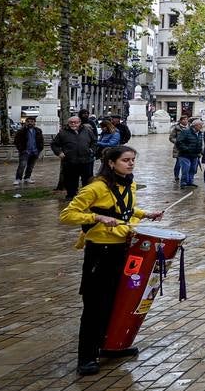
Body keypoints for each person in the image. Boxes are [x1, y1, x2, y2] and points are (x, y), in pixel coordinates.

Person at [60, 145, 165, 375]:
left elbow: (125, 209)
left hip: (123, 250)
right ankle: (86, 356)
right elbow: (67, 214)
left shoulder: (129, 184)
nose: (130, 164)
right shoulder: (96, 187)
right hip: (100, 252)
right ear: (111, 163)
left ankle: (109, 346)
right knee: (95, 306)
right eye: (125, 160)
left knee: (116, 301)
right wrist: (96, 217)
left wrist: (145, 214)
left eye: (133, 160)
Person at [52, 115, 99, 199]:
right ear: (68, 123)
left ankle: (87, 195)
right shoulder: (63, 133)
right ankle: (71, 195)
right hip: (70, 161)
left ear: (80, 123)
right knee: (71, 179)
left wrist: (92, 150)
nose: (73, 124)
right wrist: (59, 152)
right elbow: (54, 144)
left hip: (86, 160)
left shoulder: (87, 130)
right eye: (71, 122)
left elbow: (94, 141)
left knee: (87, 179)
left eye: (75, 122)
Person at [13, 115, 44, 186]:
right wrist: (22, 149)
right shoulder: (21, 131)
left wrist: (39, 149)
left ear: (34, 123)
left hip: (35, 151)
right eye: (28, 122)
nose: (30, 123)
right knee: (22, 166)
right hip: (25, 152)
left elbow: (41, 140)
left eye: (32, 122)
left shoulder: (38, 130)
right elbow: (16, 141)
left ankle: (27, 178)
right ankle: (18, 179)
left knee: (30, 166)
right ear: (26, 122)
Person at [173, 119, 203, 188]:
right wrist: (187, 149)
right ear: (195, 125)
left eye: (201, 125)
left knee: (193, 169)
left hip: (195, 154)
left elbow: (200, 143)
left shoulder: (200, 133)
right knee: (186, 169)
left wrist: (200, 151)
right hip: (185, 154)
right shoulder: (186, 132)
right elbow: (179, 142)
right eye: (200, 125)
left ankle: (190, 181)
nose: (201, 126)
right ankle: (183, 182)